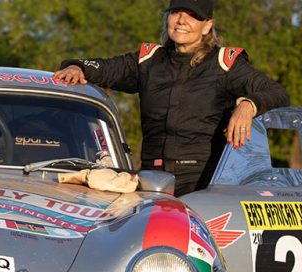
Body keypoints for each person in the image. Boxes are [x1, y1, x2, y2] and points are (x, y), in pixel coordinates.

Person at [54, 0, 289, 196]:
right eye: (176, 12)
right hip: (151, 183)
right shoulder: (148, 60)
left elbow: (277, 92)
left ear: (207, 26)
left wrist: (248, 105)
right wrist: (77, 67)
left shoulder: (225, 64)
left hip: (203, 186)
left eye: (192, 16)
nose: (182, 20)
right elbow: (103, 68)